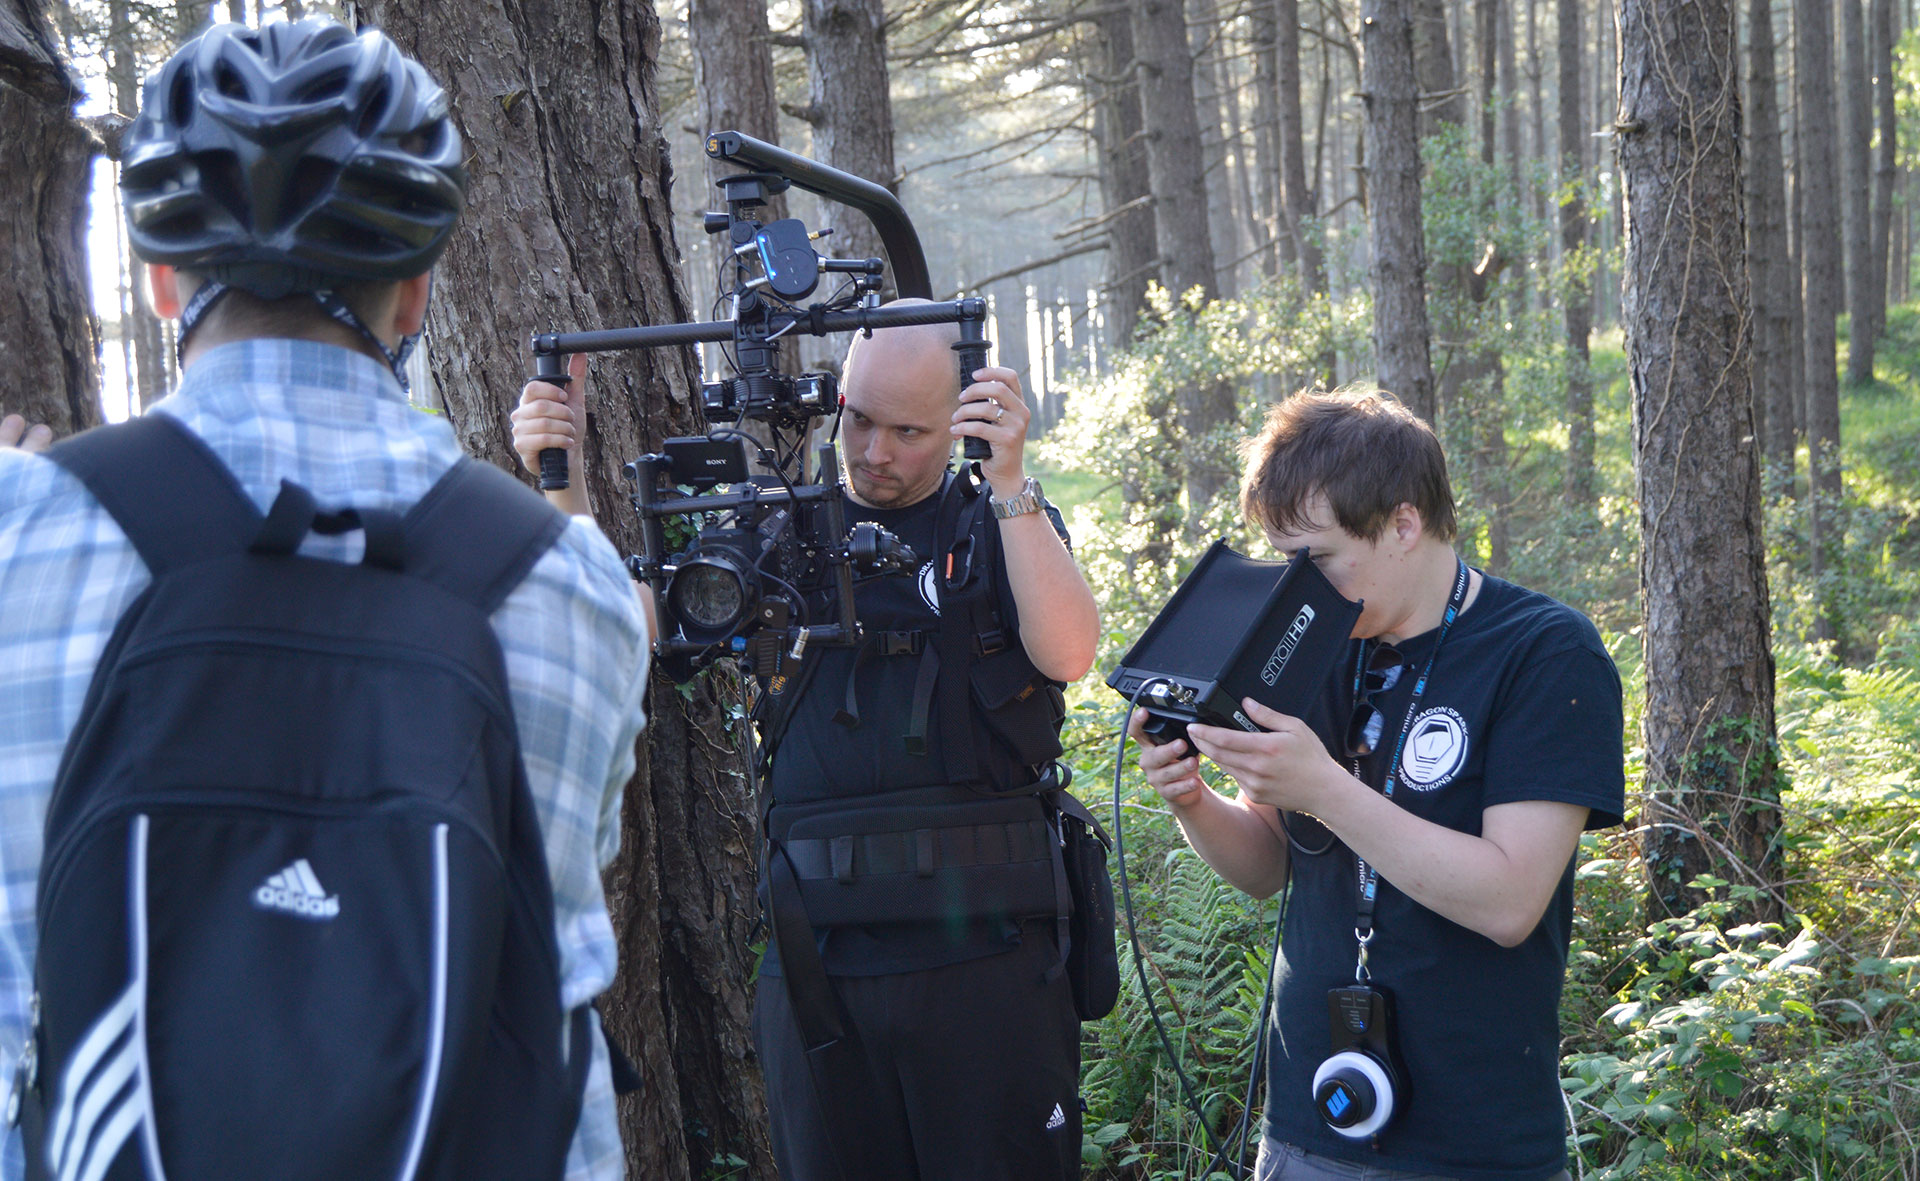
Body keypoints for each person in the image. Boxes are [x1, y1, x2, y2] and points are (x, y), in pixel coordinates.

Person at [0, 19, 648, 1180]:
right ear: (416, 293)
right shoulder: (567, 577)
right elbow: (568, 886)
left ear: (159, 279)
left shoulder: (20, 536)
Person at [513, 307, 1101, 1179]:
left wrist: (1010, 476)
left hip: (990, 970)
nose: (875, 452)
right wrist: (564, 485)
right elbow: (622, 630)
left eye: (910, 432)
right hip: (822, 971)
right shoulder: (777, 531)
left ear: (962, 421)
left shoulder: (993, 524)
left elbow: (1070, 650)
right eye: (859, 419)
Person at [1132, 389, 1624, 1180]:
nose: (1299, 588)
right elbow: (1268, 866)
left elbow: (1508, 901)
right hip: (1307, 1123)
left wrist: (1324, 785)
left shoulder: (1547, 653)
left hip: (1473, 1141)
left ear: (1403, 523)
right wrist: (1192, 796)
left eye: (1318, 558)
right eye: (1284, 559)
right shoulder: (1314, 645)